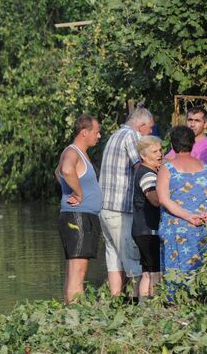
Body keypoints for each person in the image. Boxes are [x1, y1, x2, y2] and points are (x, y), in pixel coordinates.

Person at [157, 126, 207, 293]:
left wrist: (188, 216)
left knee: (177, 271)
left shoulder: (167, 168)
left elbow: (163, 199)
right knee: (203, 268)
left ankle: (176, 306)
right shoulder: (204, 168)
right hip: (205, 226)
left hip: (178, 228)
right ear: (193, 143)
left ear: (172, 144)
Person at [99, 107, 154, 297]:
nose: (151, 133)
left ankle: (116, 301)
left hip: (105, 208)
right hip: (120, 208)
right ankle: (136, 302)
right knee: (131, 257)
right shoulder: (131, 136)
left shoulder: (115, 135)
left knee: (113, 257)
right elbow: (140, 165)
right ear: (142, 125)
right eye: (150, 129)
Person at [55, 114, 103, 303]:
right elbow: (65, 170)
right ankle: (75, 317)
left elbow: (56, 172)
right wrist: (78, 193)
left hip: (82, 216)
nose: (99, 136)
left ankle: (70, 314)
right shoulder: (72, 152)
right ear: (85, 132)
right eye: (96, 132)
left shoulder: (78, 153)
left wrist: (68, 191)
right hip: (78, 217)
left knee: (75, 271)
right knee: (78, 272)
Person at [131, 136, 163, 301]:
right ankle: (151, 308)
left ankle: (141, 308)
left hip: (141, 229)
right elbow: (155, 200)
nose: (159, 154)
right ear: (143, 156)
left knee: (146, 272)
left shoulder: (144, 171)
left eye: (160, 150)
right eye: (154, 151)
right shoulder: (148, 175)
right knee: (154, 273)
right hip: (148, 229)